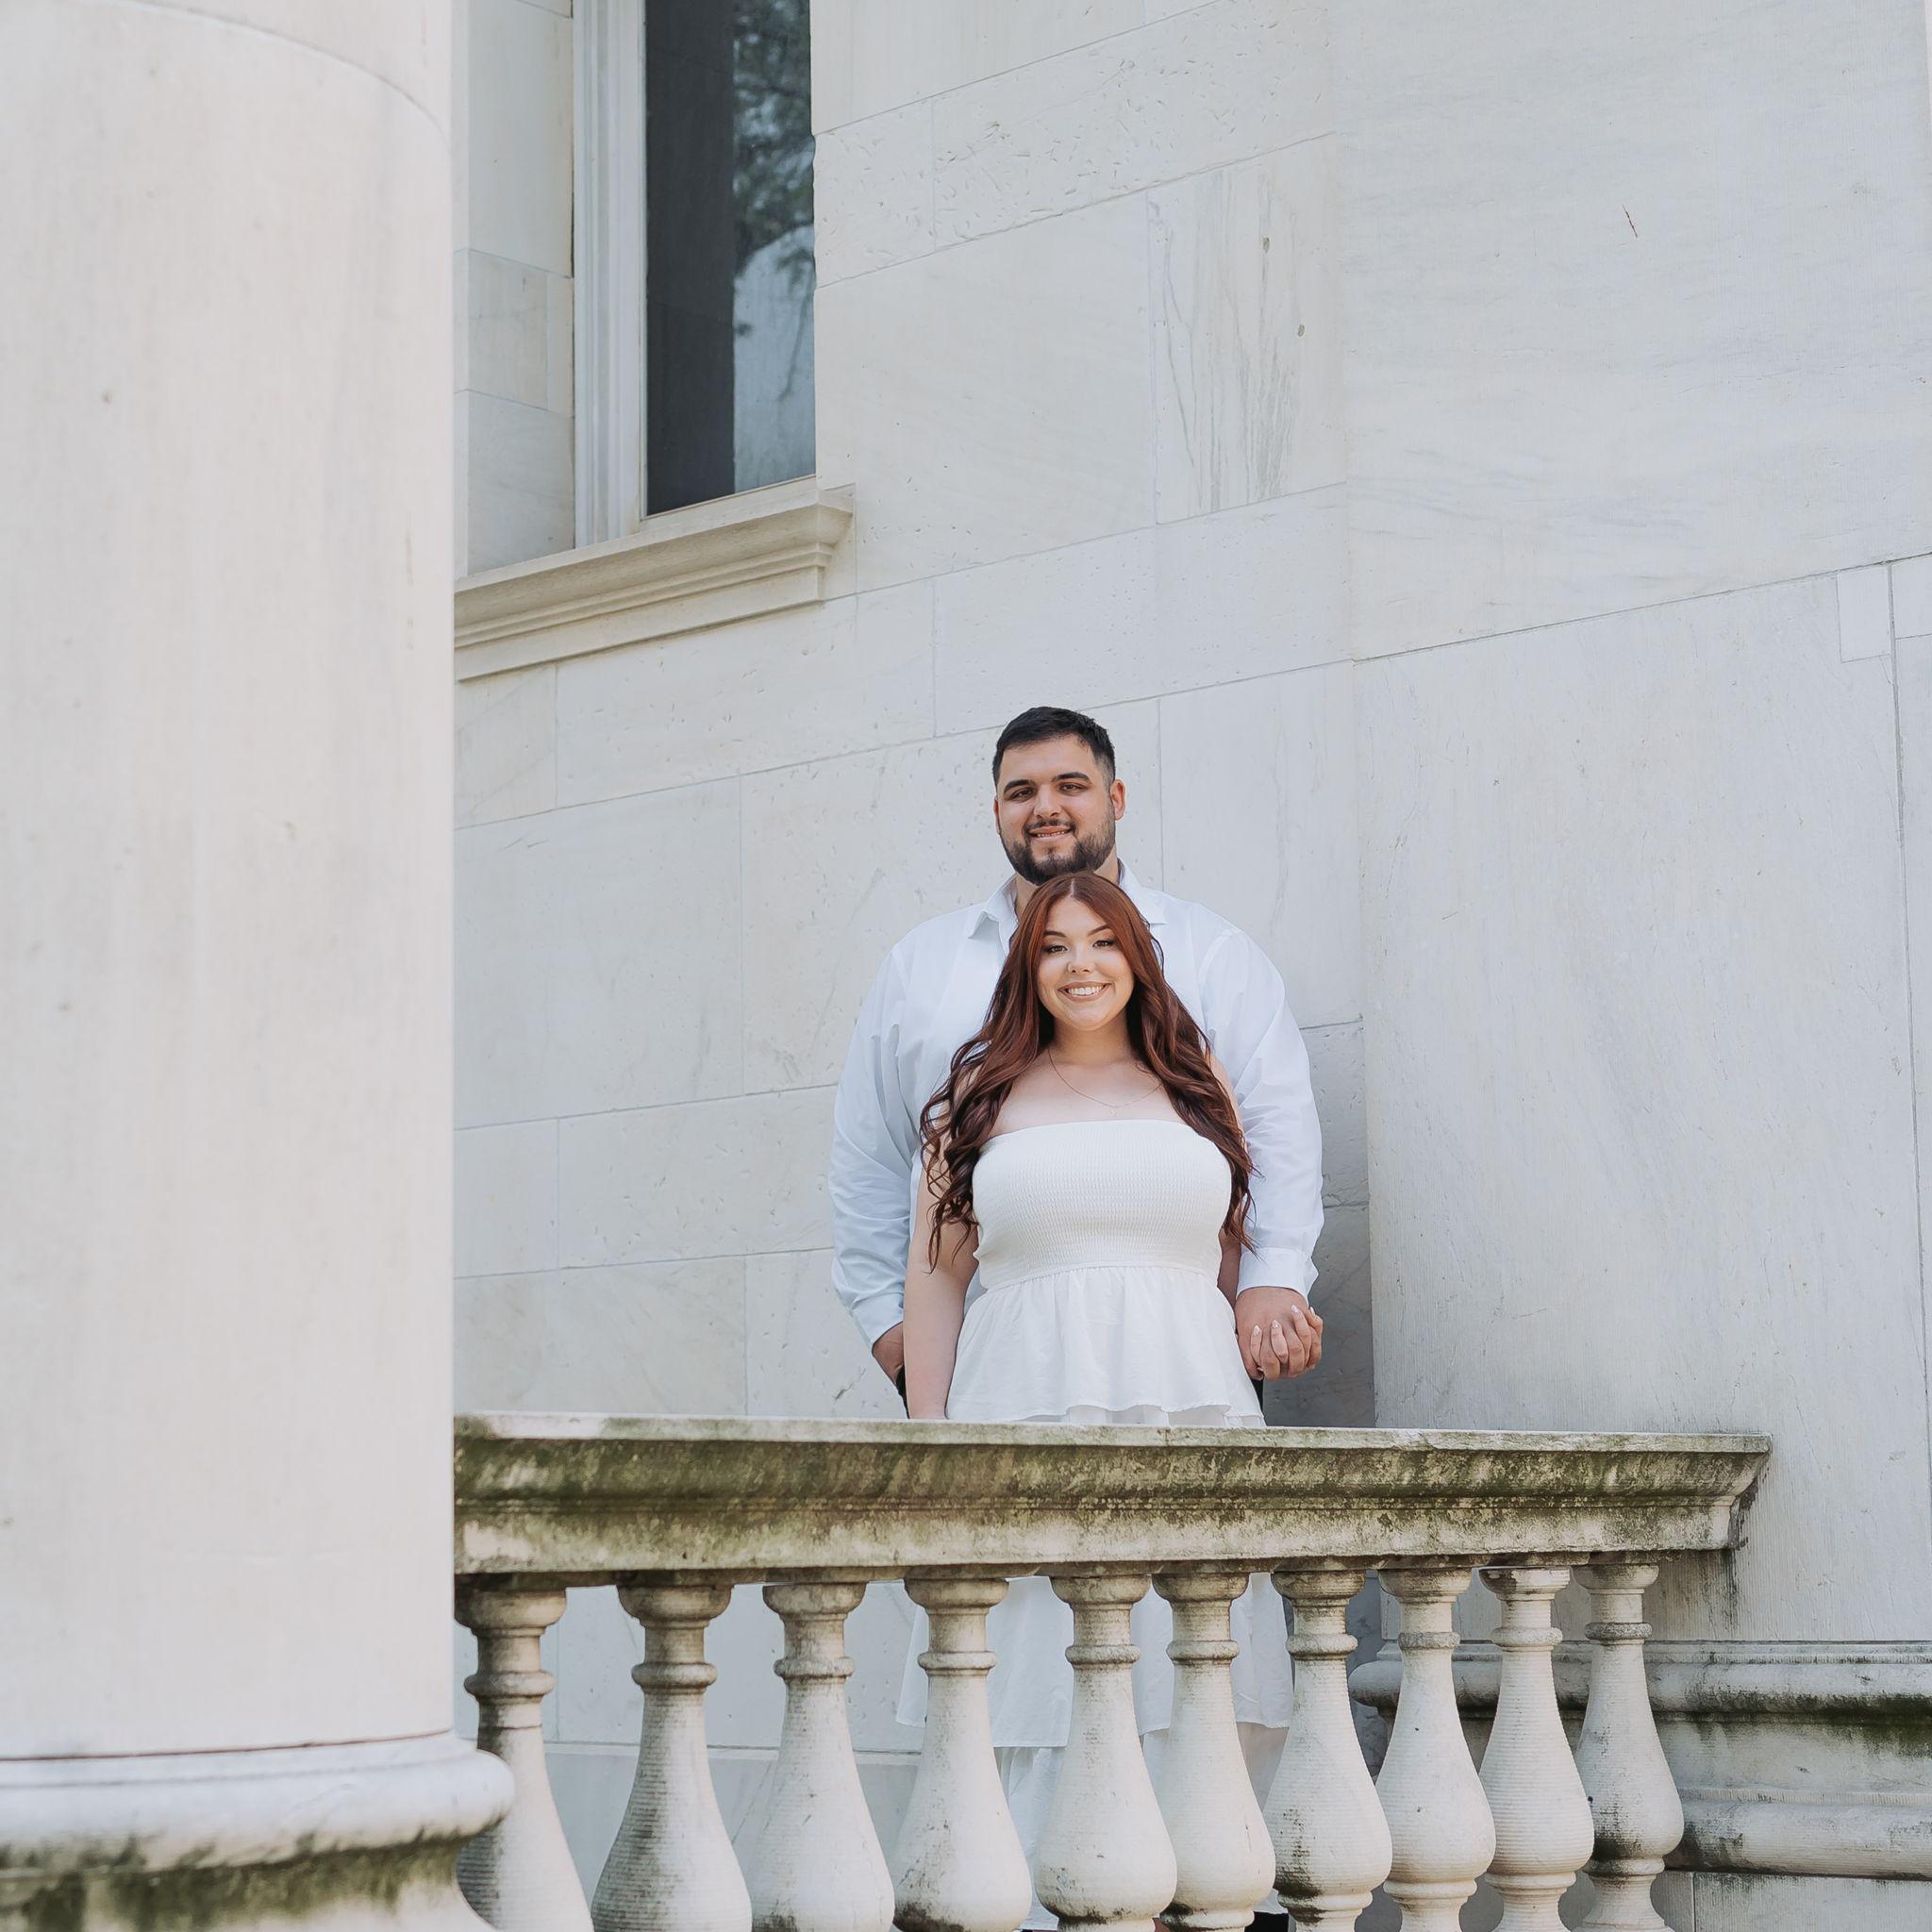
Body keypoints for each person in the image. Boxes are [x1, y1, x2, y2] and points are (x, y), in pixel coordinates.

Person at [892, 869, 1297, 1924]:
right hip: (1025, 1403)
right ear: (1026, 967)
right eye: (1054, 945)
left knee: (1190, 1662)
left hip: (1188, 1401)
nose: (1081, 964)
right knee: (1040, 1677)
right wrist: (931, 1446)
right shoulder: (974, 1098)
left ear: (1137, 958)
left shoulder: (1193, 1083)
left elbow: (1223, 1264)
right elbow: (934, 1285)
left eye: (1103, 941)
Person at [829, 705, 1324, 1395]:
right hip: (985, 1353)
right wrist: (889, 1326)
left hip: (1192, 1353)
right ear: (996, 811)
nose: (1046, 809)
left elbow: (1275, 1136)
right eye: (1021, 791)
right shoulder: (920, 966)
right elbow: (871, 1154)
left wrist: (1271, 1279)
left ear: (1115, 798)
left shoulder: (1212, 953)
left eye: (1071, 785)